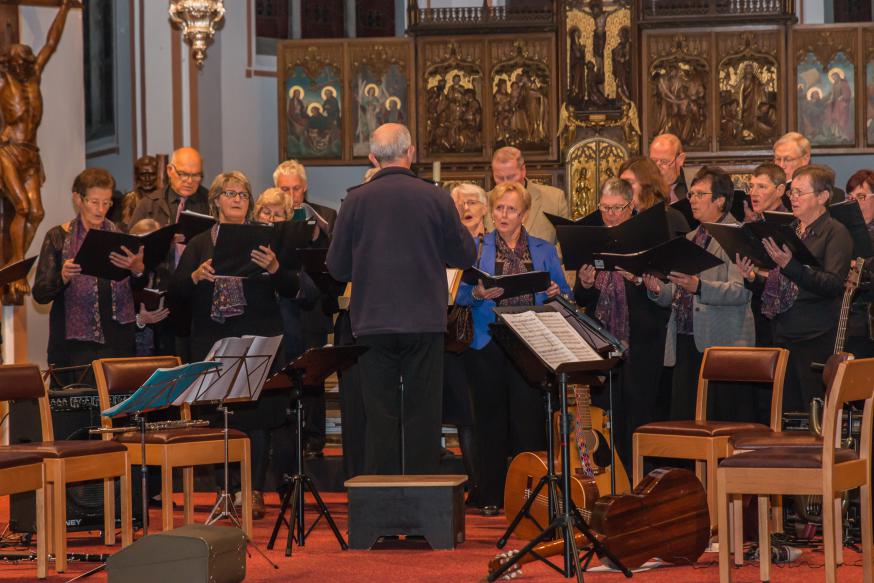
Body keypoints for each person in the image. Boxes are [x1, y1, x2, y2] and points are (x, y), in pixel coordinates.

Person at [326, 123, 477, 476]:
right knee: (423, 415)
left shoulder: (355, 200)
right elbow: (464, 256)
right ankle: (421, 508)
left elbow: (335, 267)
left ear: (373, 157)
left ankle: (383, 508)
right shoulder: (436, 197)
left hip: (373, 323)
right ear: (412, 154)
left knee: (380, 416)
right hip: (424, 321)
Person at [170, 171, 300, 519]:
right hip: (213, 338)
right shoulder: (199, 244)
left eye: (243, 194)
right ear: (216, 201)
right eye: (229, 194)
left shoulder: (266, 241)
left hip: (257, 338)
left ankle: (252, 491)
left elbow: (292, 288)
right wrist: (195, 277)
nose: (237, 199)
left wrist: (275, 268)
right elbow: (175, 293)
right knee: (218, 419)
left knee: (256, 419)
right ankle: (225, 491)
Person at [455, 181, 570, 515]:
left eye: (511, 209)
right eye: (499, 208)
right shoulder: (476, 249)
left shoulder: (544, 249)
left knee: (528, 421)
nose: (504, 215)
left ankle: (530, 496)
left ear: (524, 214)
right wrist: (476, 294)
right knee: (488, 422)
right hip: (487, 340)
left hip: (529, 343)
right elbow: (457, 295)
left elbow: (564, 293)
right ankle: (491, 496)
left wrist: (554, 293)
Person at [736, 165, 852, 413]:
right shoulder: (792, 231)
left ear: (822, 197)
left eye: (800, 193)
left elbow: (832, 284)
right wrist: (752, 278)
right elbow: (779, 284)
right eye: (792, 193)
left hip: (815, 336)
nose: (793, 198)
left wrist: (791, 265)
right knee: (786, 413)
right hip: (784, 334)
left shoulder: (835, 233)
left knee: (812, 414)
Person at [574, 178, 670, 474]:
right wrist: (586, 284)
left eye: (618, 208)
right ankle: (608, 475)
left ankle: (640, 475)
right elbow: (582, 297)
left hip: (643, 339)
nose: (611, 214)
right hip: (602, 341)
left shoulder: (651, 237)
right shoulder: (591, 239)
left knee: (640, 413)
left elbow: (664, 290)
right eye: (605, 208)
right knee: (606, 413)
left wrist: (642, 282)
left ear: (632, 206)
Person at [644, 167, 754, 421]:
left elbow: (740, 292)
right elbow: (678, 288)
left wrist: (700, 287)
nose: (692, 199)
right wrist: (659, 290)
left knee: (719, 419)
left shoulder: (737, 235)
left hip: (720, 341)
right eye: (691, 193)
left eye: (700, 194)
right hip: (686, 339)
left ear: (720, 200)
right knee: (687, 418)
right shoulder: (692, 237)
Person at [32, 168, 140, 380]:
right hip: (73, 346)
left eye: (107, 203)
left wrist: (138, 271)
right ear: (77, 199)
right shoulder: (58, 237)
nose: (101, 209)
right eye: (94, 202)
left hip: (117, 341)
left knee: (116, 408)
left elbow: (135, 290)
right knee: (77, 408)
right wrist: (62, 277)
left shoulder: (121, 236)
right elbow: (40, 294)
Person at [0, 1, 72, 300]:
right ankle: (15, 267)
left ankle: (10, 265)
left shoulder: (34, 77)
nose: (22, 67)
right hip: (9, 152)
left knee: (38, 212)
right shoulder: (4, 80)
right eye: (17, 63)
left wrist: (65, 8)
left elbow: (51, 42)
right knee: (23, 208)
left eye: (25, 63)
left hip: (31, 153)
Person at [273, 160, 338, 458]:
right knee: (283, 375)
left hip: (314, 307)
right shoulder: (271, 215)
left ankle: (314, 437)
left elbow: (334, 260)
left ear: (305, 186)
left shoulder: (325, 216)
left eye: (296, 188)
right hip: (283, 307)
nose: (291, 194)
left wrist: (317, 238)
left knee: (314, 374)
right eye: (284, 188)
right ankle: (285, 434)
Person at [446, 183, 488, 505]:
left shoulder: (493, 245)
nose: (465, 208)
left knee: (488, 412)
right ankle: (476, 483)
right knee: (467, 415)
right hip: (456, 340)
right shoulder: (448, 245)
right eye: (459, 203)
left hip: (490, 337)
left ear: (485, 208)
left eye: (472, 201)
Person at [485, 146, 570, 244]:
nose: (506, 183)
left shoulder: (555, 199)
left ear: (523, 170)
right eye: (499, 178)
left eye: (511, 176)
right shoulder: (484, 201)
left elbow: (565, 244)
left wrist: (545, 257)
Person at [618, 156, 690, 236]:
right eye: (621, 183)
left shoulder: (671, 218)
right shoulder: (620, 216)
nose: (623, 188)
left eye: (629, 183)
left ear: (647, 185)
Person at [773, 132, 846, 209]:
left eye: (788, 159)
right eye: (778, 159)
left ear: (805, 159)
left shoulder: (832, 195)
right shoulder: (770, 192)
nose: (781, 165)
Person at [844, 170, 874, 359]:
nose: (854, 203)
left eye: (861, 197)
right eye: (850, 197)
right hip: (847, 321)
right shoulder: (841, 233)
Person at [119, 155, 159, 231]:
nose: (147, 179)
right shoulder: (131, 198)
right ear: (137, 176)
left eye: (152, 174)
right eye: (143, 175)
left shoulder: (163, 197)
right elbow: (126, 226)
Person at [649, 133, 688, 203]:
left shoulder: (693, 184)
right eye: (653, 161)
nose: (657, 167)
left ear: (680, 159)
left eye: (664, 161)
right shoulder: (642, 186)